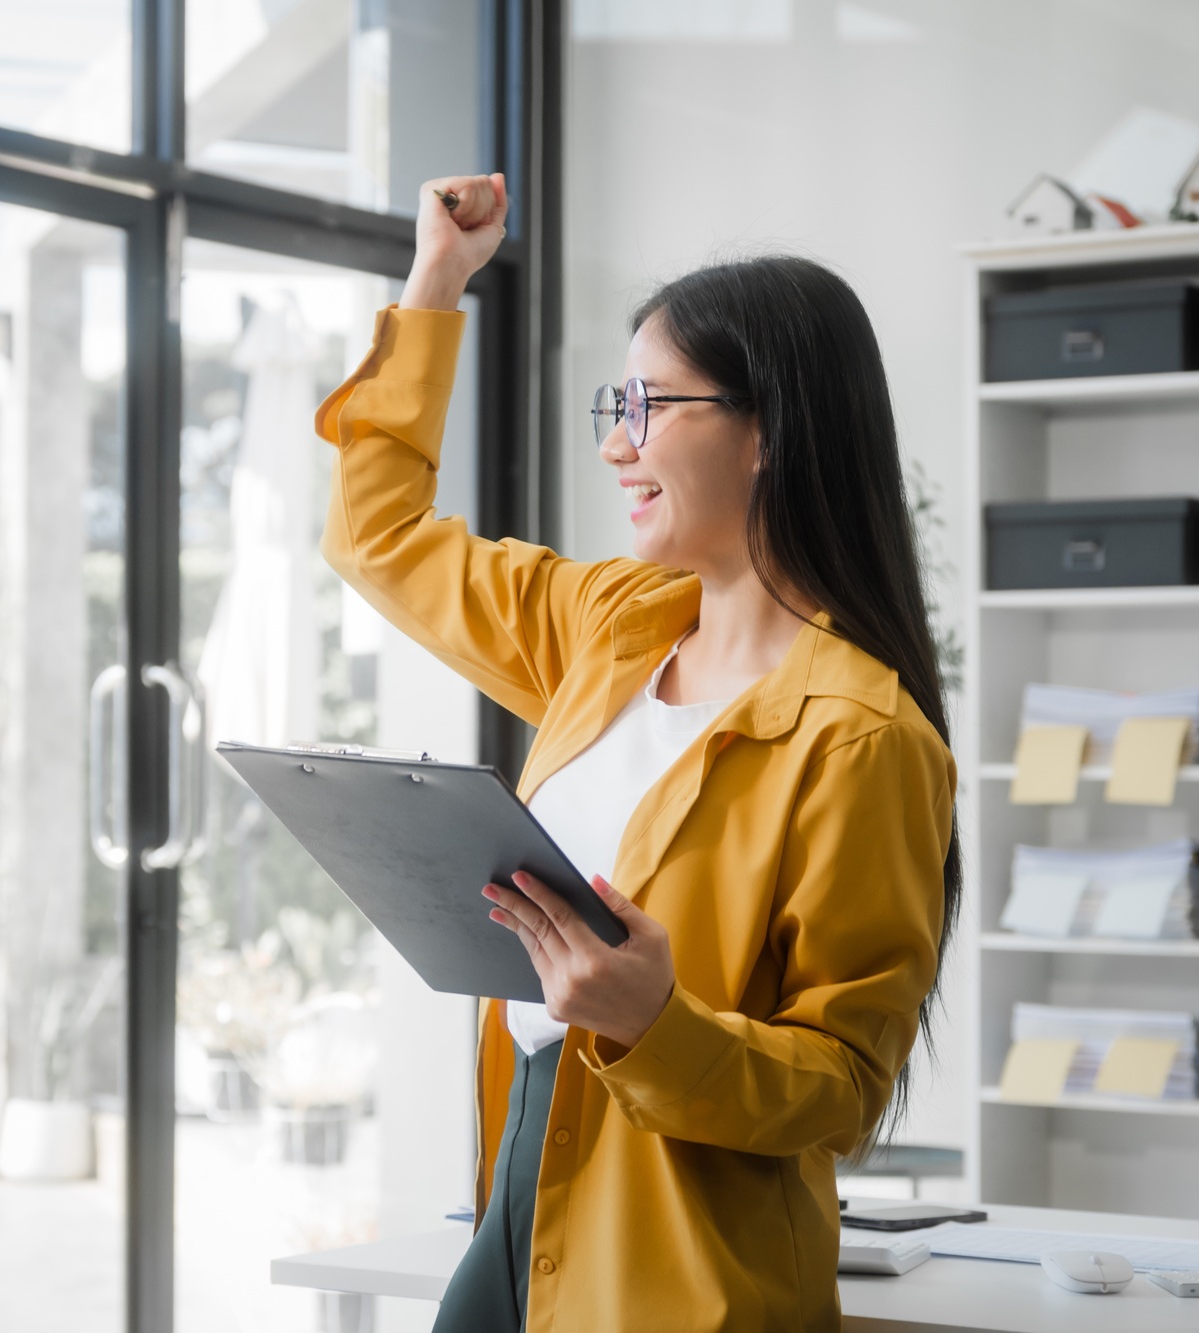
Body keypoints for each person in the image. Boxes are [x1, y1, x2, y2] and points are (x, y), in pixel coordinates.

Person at [315, 173, 959, 1332]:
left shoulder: (861, 738)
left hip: (679, 1268)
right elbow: (378, 537)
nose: (618, 442)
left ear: (769, 431)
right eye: (616, 403)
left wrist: (656, 1024)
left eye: (651, 406)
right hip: (516, 1191)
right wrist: (436, 283)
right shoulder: (609, 626)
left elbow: (845, 1091)